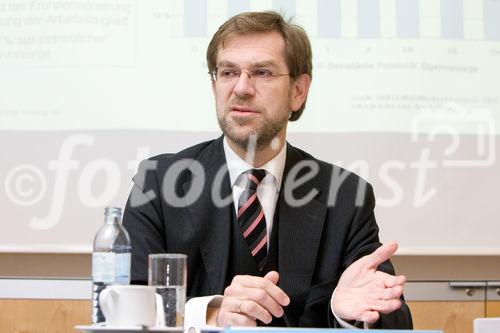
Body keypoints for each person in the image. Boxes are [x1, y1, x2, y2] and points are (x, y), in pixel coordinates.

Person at [122, 11, 412, 329]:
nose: (242, 88)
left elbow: (394, 318)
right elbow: (123, 307)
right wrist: (209, 313)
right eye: (228, 72)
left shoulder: (345, 196)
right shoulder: (160, 183)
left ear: (298, 92)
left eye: (262, 73)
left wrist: (345, 313)